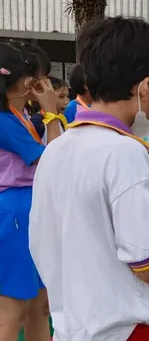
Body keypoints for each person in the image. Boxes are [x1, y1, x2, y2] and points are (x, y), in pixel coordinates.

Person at [29, 17, 149, 341]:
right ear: (145, 88)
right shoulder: (124, 153)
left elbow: (43, 245)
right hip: (129, 330)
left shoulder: (56, 148)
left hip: (74, 326)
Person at [0, 40, 59, 341]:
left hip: (30, 209)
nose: (46, 85)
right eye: (42, 78)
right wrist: (50, 114)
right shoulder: (4, 121)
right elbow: (51, 158)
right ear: (27, 81)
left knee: (40, 306)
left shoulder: (18, 118)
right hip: (16, 215)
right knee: (12, 311)